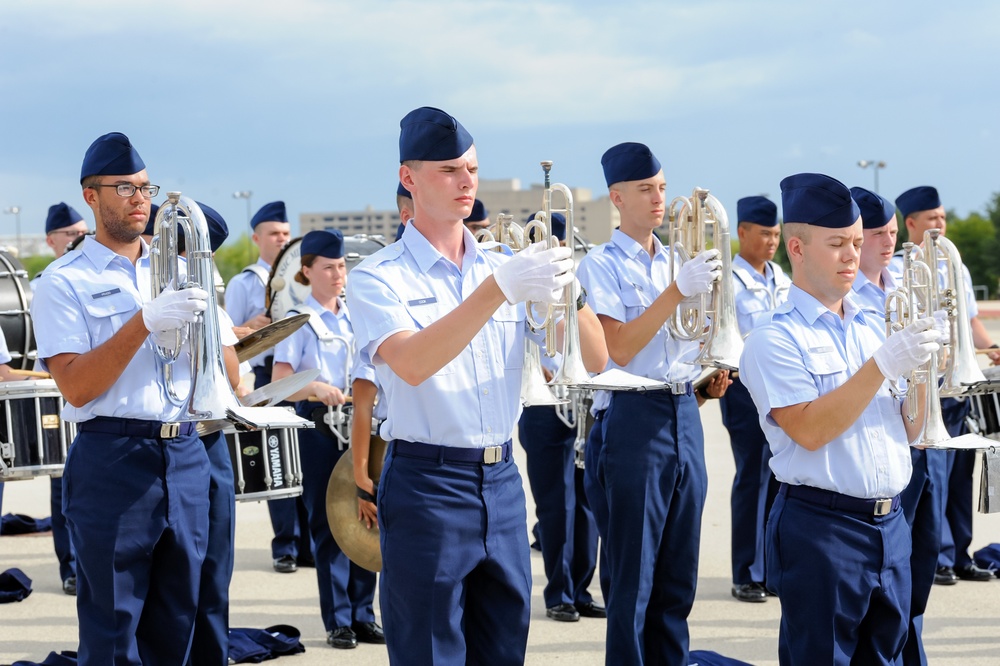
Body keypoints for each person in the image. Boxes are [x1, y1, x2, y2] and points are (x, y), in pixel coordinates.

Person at [348, 106, 607, 665]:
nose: (467, 181)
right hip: (427, 484)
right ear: (408, 178)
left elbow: (594, 357)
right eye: (448, 170)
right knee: (430, 653)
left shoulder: (504, 263)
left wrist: (570, 288)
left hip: (502, 482)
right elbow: (412, 363)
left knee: (503, 650)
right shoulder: (378, 277)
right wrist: (497, 289)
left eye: (471, 168)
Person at [30, 132, 236, 664]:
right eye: (124, 188)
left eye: (146, 187)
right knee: (114, 629)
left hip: (187, 452)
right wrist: (142, 322)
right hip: (113, 458)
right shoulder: (63, 281)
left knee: (180, 623)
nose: (140, 198)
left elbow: (222, 372)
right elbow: (76, 384)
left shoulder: (182, 266)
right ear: (91, 197)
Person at [740, 172, 944, 664]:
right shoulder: (774, 339)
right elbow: (810, 430)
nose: (854, 255)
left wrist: (927, 377)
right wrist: (883, 365)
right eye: (837, 243)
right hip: (822, 529)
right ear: (798, 247)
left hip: (890, 523)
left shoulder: (876, 324)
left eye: (857, 241)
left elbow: (910, 429)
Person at [576, 141, 729, 665]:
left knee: (677, 575)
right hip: (632, 419)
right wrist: (677, 295)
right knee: (633, 577)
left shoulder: (677, 259)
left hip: (684, 409)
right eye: (645, 189)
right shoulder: (599, 265)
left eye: (662, 187)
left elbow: (685, 340)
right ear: (617, 197)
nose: (658, 198)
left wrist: (708, 366)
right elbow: (616, 348)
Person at [270, 229, 384, 650]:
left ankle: (363, 614)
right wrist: (316, 387)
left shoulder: (359, 315)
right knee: (329, 524)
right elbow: (281, 383)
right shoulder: (298, 320)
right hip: (321, 427)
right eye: (329, 268)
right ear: (306, 271)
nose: (339, 275)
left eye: (342, 267)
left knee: (368, 517)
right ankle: (338, 620)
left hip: (364, 425)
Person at [891, 186, 999, 586]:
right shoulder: (903, 267)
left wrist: (992, 348)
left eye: (943, 217)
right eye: (932, 219)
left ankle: (960, 553)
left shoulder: (957, 266)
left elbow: (970, 323)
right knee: (933, 476)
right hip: (926, 386)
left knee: (960, 475)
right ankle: (934, 555)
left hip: (957, 385)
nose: (940, 225)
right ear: (912, 224)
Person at [517, 211, 603, 623]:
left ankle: (582, 587)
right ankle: (558, 593)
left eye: (558, 244)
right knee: (556, 505)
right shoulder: (520, 287)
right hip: (543, 404)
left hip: (583, 400)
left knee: (587, 502)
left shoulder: (580, 284)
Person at [224, 201, 311, 574]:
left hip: (305, 377)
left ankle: (309, 543)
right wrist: (252, 325)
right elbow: (231, 336)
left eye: (286, 234)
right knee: (277, 462)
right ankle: (285, 546)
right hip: (265, 376)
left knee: (308, 464)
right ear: (257, 238)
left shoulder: (303, 276)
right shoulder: (245, 281)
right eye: (275, 234)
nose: (282, 240)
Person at [720, 195, 789, 603]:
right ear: (742, 232)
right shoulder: (728, 280)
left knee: (782, 476)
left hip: (781, 389)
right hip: (744, 389)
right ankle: (746, 571)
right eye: (764, 233)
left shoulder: (781, 277)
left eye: (777, 234)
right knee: (752, 475)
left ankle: (772, 568)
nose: (772, 241)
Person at [32, 202, 90, 596]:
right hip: (55, 393)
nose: (78, 239)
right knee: (62, 484)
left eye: (82, 232)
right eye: (70, 234)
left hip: (94, 396)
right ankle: (69, 567)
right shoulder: (44, 284)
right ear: (52, 241)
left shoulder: (87, 278)